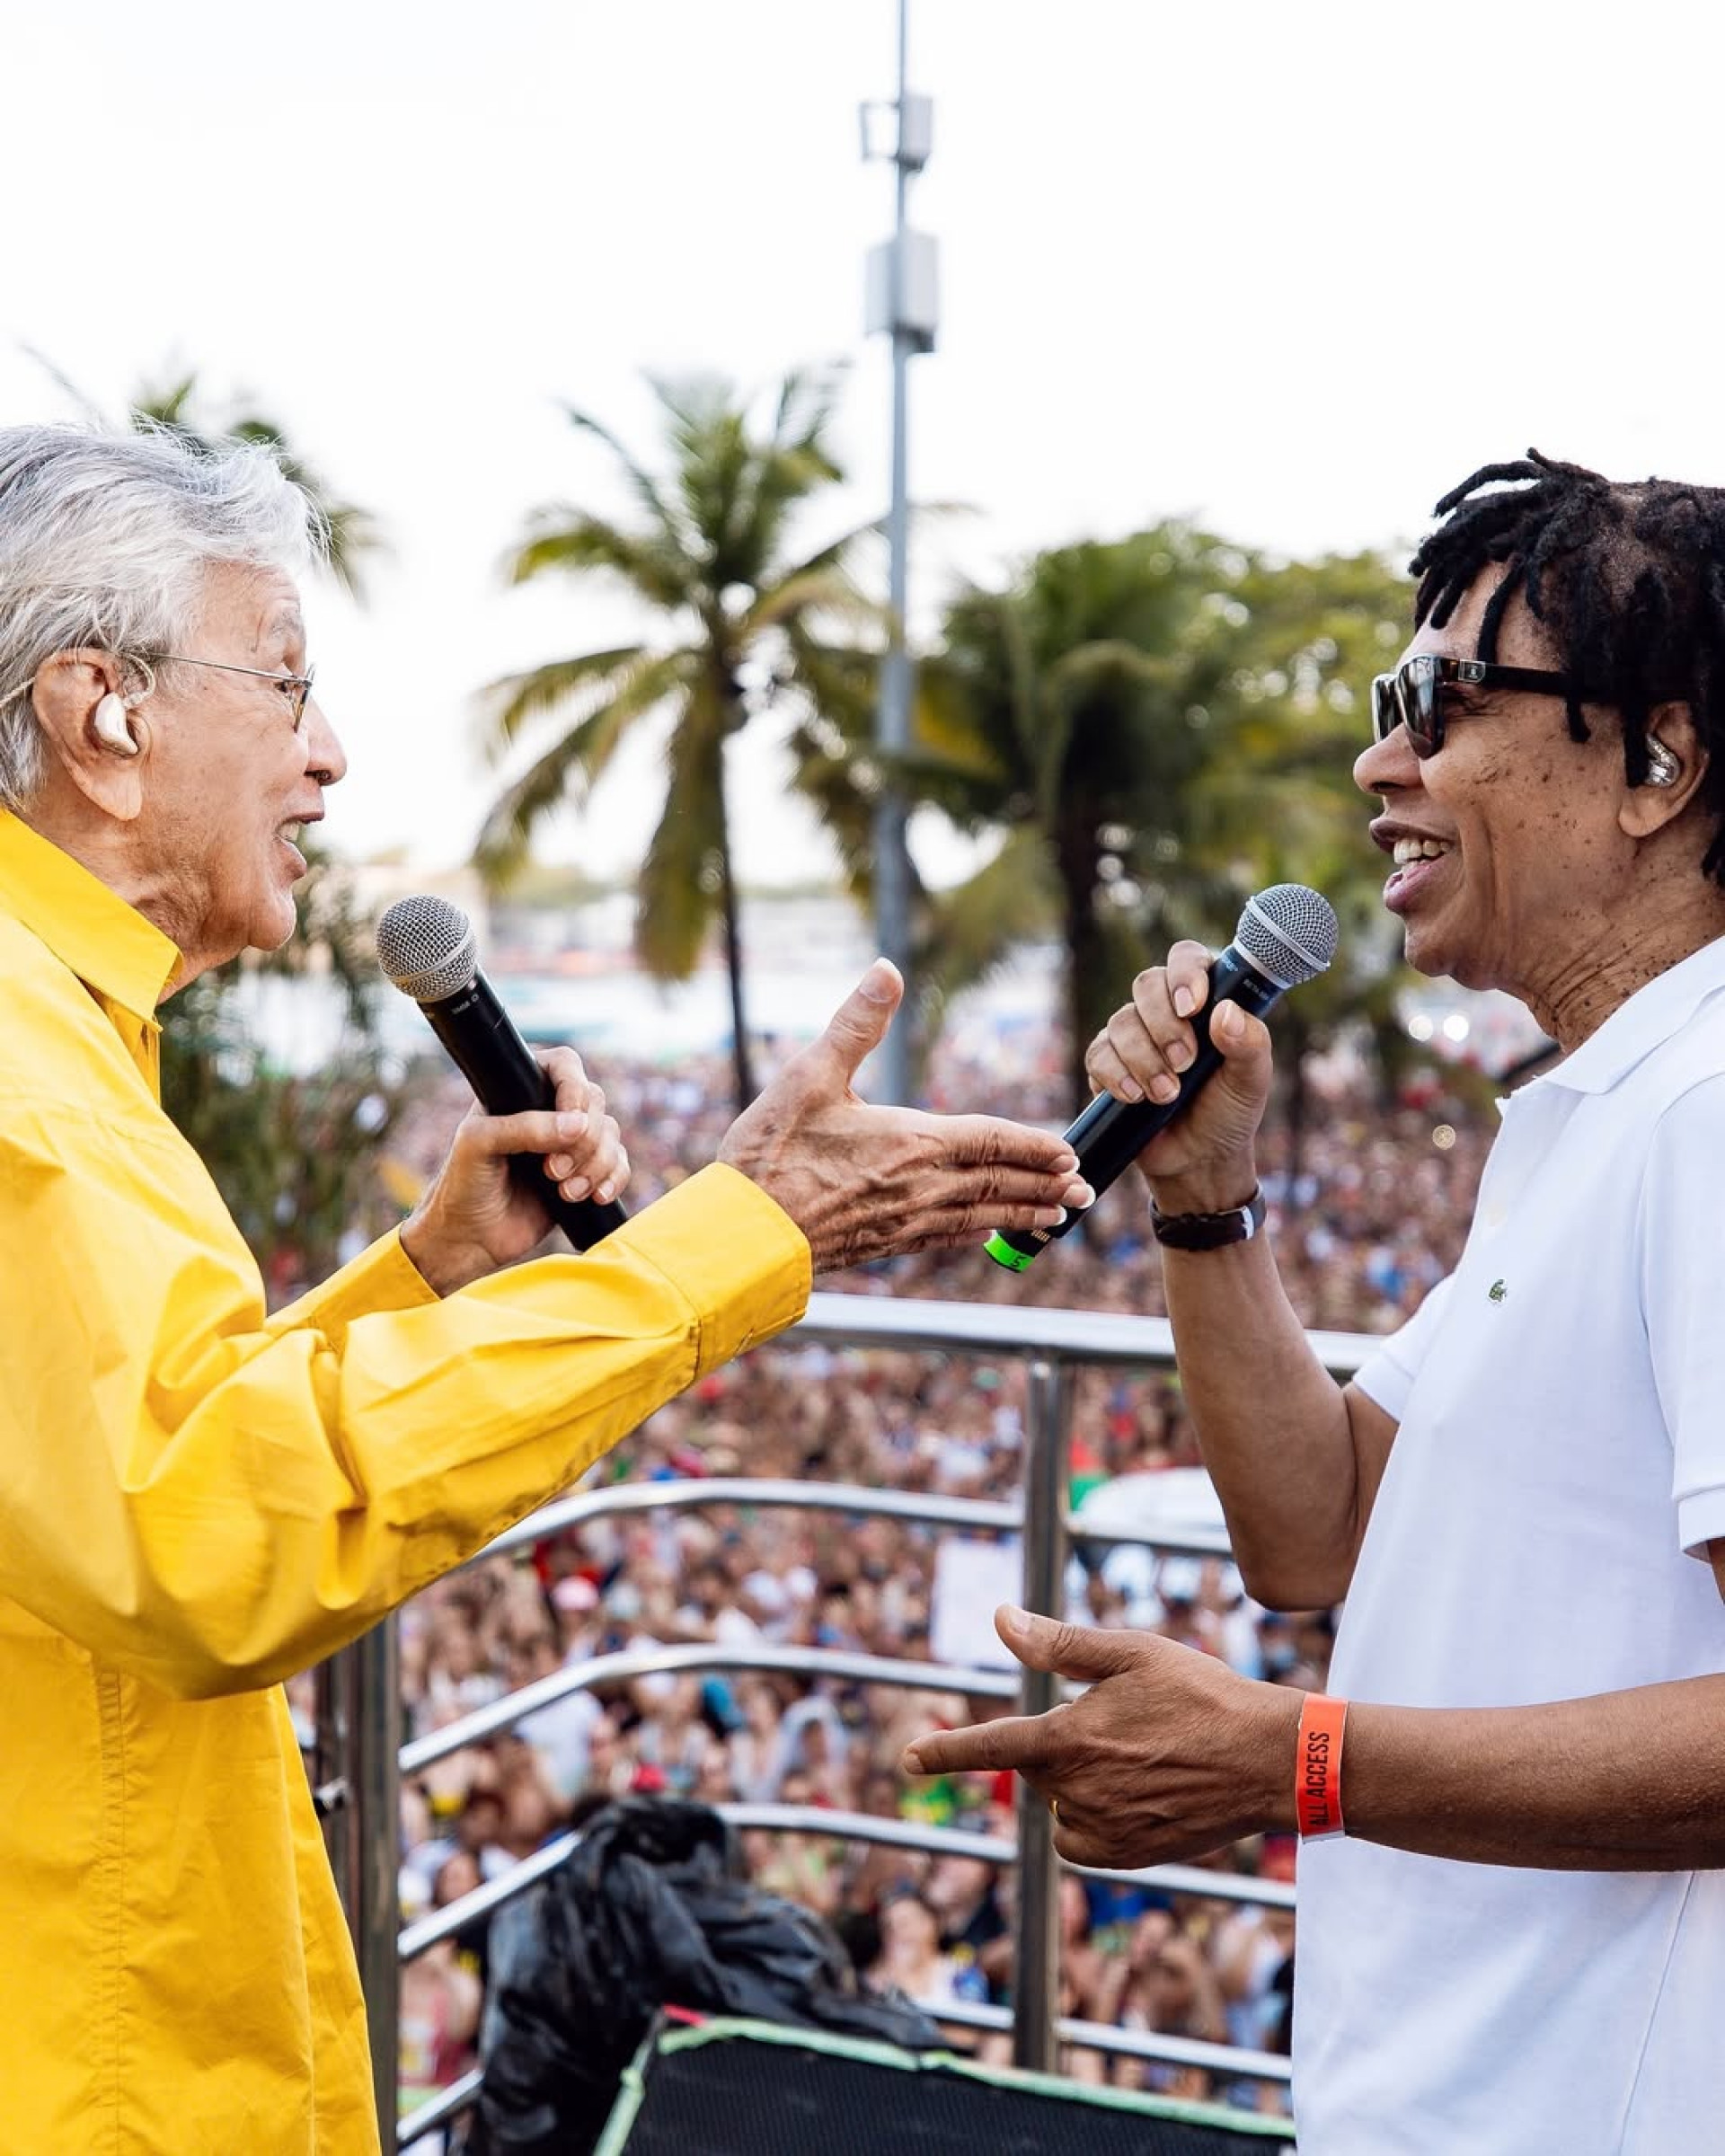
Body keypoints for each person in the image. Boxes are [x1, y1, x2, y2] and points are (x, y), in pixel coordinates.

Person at [0, 421, 1091, 2153]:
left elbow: (94, 1459)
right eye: (284, 687)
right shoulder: (27, 1071)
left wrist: (432, 1278)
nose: (329, 756)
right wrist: (734, 1234)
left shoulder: (58, 1039)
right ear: (101, 716)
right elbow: (193, 1529)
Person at [906, 451, 1725, 2153]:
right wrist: (1206, 1202)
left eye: (1439, 699)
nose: (1382, 757)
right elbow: (1325, 1531)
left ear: (1660, 761)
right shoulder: (1595, 1114)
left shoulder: (1710, 1113)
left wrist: (1301, 1762)